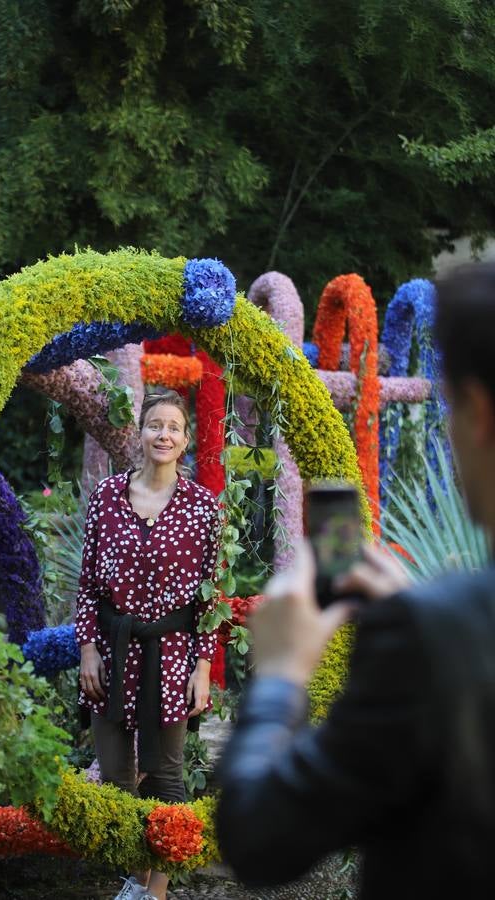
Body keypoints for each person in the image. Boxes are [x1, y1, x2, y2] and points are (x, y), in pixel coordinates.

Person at [217, 262, 495, 899]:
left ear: (477, 411)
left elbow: (260, 839)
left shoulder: (434, 634)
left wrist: (282, 675)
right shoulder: (438, 626)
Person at [76, 388, 220, 900]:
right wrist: (88, 649)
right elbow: (89, 582)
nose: (163, 434)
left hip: (172, 655)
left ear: (186, 439)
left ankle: (156, 890)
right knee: (117, 779)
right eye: (154, 424)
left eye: (173, 427)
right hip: (112, 654)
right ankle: (133, 880)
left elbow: (210, 595)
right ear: (139, 433)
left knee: (166, 776)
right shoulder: (107, 498)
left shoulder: (204, 507)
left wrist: (202, 666)